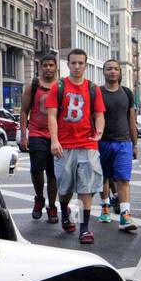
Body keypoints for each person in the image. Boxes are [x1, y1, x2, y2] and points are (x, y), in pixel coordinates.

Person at [47, 48, 106, 244]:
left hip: (87, 145)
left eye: (81, 63)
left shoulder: (93, 88)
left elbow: (99, 115)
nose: (77, 66)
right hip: (64, 146)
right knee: (64, 189)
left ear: (86, 65)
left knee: (85, 188)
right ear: (69, 64)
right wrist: (54, 140)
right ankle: (65, 211)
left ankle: (85, 228)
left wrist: (98, 132)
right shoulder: (59, 87)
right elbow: (52, 116)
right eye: (74, 63)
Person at [96, 59, 139, 232]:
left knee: (123, 179)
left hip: (123, 143)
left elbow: (132, 120)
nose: (112, 71)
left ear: (120, 72)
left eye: (115, 69)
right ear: (104, 72)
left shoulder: (127, 93)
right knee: (103, 178)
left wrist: (134, 144)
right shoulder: (97, 92)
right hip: (101, 143)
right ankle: (105, 207)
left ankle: (125, 215)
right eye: (109, 69)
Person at [20, 52, 60, 223]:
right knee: (37, 169)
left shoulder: (61, 86)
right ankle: (39, 198)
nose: (48, 68)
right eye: (45, 65)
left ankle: (52, 206)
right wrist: (24, 135)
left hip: (56, 136)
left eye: (51, 65)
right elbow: (24, 111)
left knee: (53, 173)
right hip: (36, 133)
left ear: (56, 67)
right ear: (40, 67)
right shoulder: (33, 86)